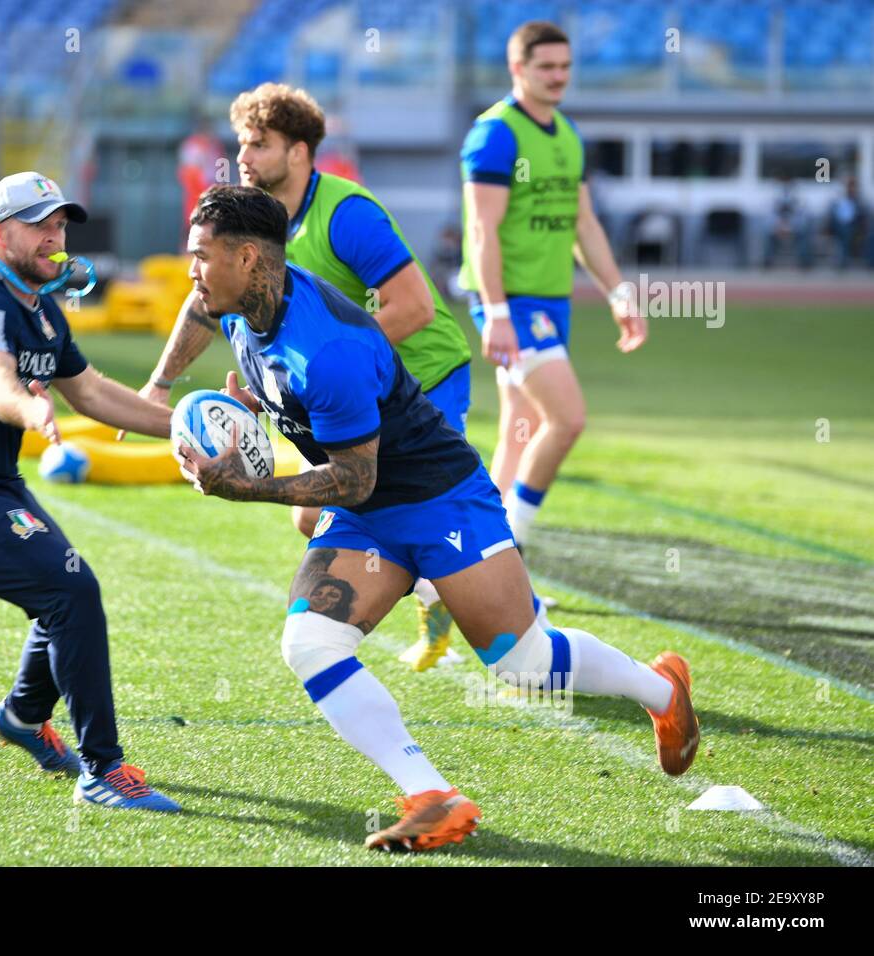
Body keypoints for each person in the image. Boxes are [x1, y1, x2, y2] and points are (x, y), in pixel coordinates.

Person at [177, 185, 698, 852]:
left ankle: (662, 691)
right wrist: (222, 398)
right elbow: (226, 337)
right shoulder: (242, 307)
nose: (191, 271)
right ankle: (433, 795)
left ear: (248, 258)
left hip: (437, 497)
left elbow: (353, 476)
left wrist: (245, 488)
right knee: (309, 644)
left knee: (524, 663)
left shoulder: (326, 350)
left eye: (200, 257)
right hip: (368, 515)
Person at [142, 82, 478, 673]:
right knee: (311, 515)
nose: (242, 157)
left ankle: (511, 625)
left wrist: (308, 370)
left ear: (299, 152)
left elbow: (415, 308)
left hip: (423, 380)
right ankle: (434, 592)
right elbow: (205, 305)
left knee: (419, 510)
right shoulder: (253, 226)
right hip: (345, 388)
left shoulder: (347, 214)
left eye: (258, 144)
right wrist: (161, 381)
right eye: (240, 143)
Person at [0, 171, 180, 813]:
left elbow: (94, 393)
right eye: (40, 225)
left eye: (60, 224)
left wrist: (186, 423)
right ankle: (103, 769)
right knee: (72, 590)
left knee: (67, 588)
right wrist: (28, 412)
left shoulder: (43, 308)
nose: (56, 237)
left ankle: (23, 718)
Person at [460, 21, 647, 548]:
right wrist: (495, 311)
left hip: (550, 300)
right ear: (517, 68)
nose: (558, 76)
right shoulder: (496, 134)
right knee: (566, 420)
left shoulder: (567, 133)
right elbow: (482, 229)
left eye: (565, 66)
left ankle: (478, 556)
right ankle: (509, 542)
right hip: (512, 302)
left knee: (519, 428)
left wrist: (618, 294)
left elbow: (583, 224)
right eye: (546, 67)